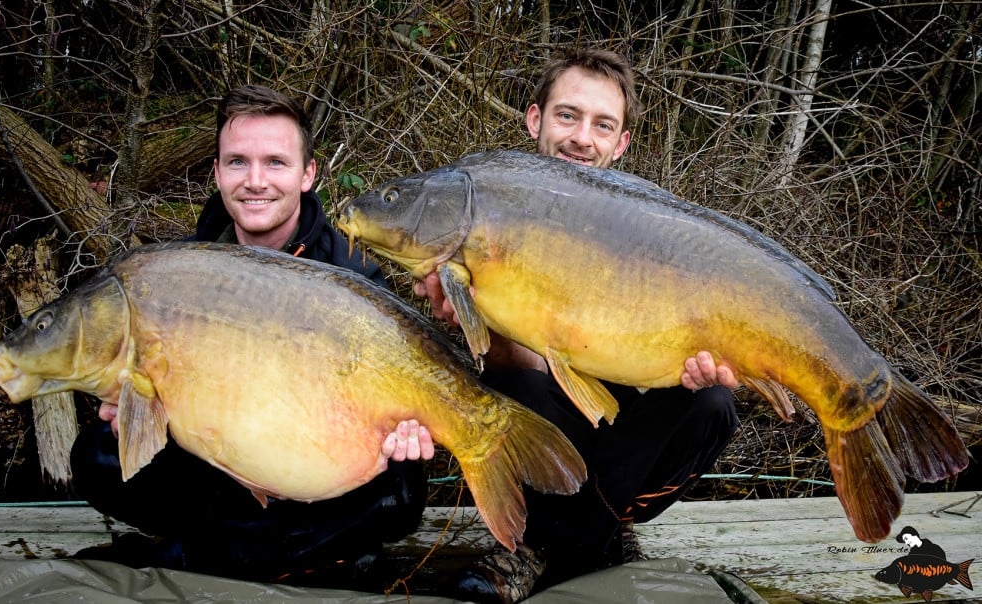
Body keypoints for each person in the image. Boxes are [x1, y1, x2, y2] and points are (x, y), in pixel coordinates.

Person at [410, 48, 741, 603]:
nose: (582, 138)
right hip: (541, 424)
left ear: (622, 144)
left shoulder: (651, 226)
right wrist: (479, 329)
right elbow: (517, 375)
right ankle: (590, 538)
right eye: (567, 115)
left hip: (619, 425)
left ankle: (570, 537)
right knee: (521, 385)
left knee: (711, 403)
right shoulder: (487, 207)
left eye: (602, 125)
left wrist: (702, 363)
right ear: (535, 119)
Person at [69, 84, 430, 587]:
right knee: (97, 457)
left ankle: (211, 551)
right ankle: (277, 552)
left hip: (315, 460)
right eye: (238, 162)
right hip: (223, 460)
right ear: (216, 173)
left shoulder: (353, 272)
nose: (255, 181)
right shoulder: (184, 268)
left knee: (403, 485)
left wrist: (398, 434)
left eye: (276, 163)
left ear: (308, 174)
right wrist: (136, 404)